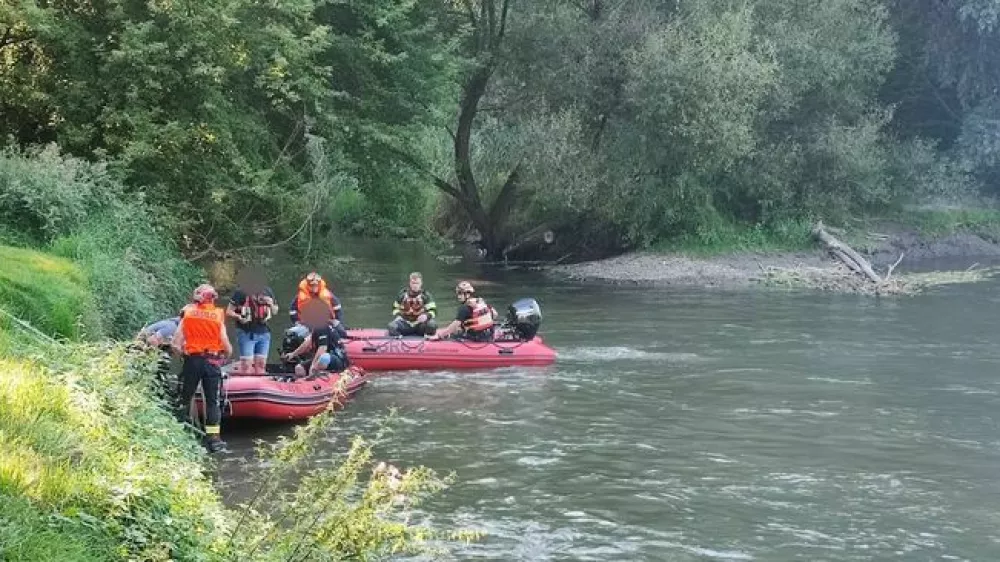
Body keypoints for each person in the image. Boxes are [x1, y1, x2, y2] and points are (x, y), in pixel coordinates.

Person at [171, 284, 232, 454]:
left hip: (193, 361)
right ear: (213, 298)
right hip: (212, 362)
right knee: (212, 401)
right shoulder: (217, 315)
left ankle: (179, 432)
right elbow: (227, 347)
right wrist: (223, 355)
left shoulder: (188, 314)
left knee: (185, 396)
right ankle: (214, 440)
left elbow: (175, 343)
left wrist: (185, 355)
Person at [226, 285, 278, 375]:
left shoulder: (267, 291)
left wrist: (271, 304)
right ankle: (245, 384)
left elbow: (275, 311)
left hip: (264, 333)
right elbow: (229, 311)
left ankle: (259, 385)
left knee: (261, 365)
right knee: (246, 365)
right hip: (246, 332)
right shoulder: (240, 292)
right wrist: (239, 317)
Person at [427, 281, 497, 342]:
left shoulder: (464, 308)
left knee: (451, 335)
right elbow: (495, 314)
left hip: (476, 339)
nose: (458, 296)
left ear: (467, 294)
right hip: (488, 336)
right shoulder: (480, 302)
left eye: (460, 293)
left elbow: (454, 325)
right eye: (458, 293)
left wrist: (440, 335)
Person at [281, 318, 351, 378]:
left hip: (337, 359)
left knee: (323, 358)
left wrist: (313, 365)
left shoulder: (321, 327)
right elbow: (306, 343)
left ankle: (318, 375)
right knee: (299, 368)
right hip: (325, 359)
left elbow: (322, 348)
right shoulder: (315, 329)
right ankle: (306, 385)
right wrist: (293, 354)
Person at [388, 272, 437, 336]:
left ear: (421, 283)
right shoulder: (402, 294)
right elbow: (394, 308)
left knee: (432, 325)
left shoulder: (426, 295)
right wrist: (400, 315)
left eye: (417, 283)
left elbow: (433, 311)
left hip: (420, 325)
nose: (415, 285)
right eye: (413, 283)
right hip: (405, 324)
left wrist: (426, 316)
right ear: (410, 283)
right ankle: (399, 339)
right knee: (391, 326)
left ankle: (427, 338)